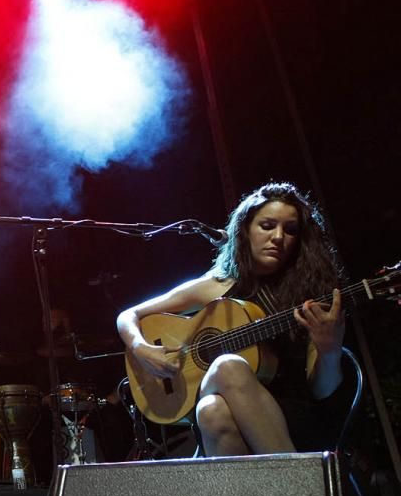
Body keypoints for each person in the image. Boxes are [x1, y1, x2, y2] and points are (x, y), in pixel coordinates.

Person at [116, 182, 346, 456]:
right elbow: (129, 315)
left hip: (291, 418)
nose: (278, 237)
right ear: (245, 230)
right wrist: (141, 349)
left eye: (291, 230)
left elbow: (322, 390)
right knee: (212, 409)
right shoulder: (219, 285)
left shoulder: (311, 298)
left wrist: (330, 350)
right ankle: (287, 486)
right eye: (267, 225)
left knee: (223, 373)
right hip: (226, 418)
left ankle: (297, 478)